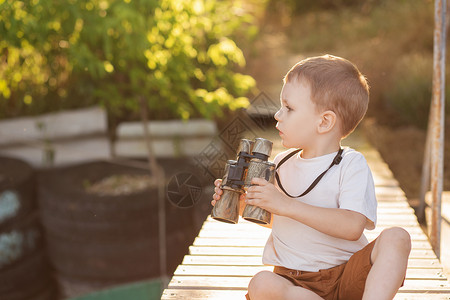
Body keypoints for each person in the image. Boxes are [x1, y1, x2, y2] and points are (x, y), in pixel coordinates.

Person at [211, 55, 411, 300]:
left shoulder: (350, 164)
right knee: (261, 283)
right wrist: (244, 203)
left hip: (347, 277)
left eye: (289, 108)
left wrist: (286, 204)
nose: (277, 115)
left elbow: (352, 226)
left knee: (397, 237)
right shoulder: (281, 164)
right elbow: (282, 221)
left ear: (324, 121)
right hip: (294, 282)